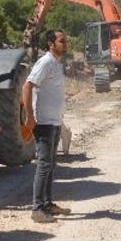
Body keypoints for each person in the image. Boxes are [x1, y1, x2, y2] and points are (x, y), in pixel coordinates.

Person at [21, 29, 73, 223]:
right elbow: (27, 86)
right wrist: (29, 115)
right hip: (43, 122)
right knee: (43, 165)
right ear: (51, 44)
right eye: (62, 41)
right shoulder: (45, 62)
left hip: (54, 121)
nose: (65, 44)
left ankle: (47, 204)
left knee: (51, 164)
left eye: (65, 40)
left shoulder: (57, 64)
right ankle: (37, 208)